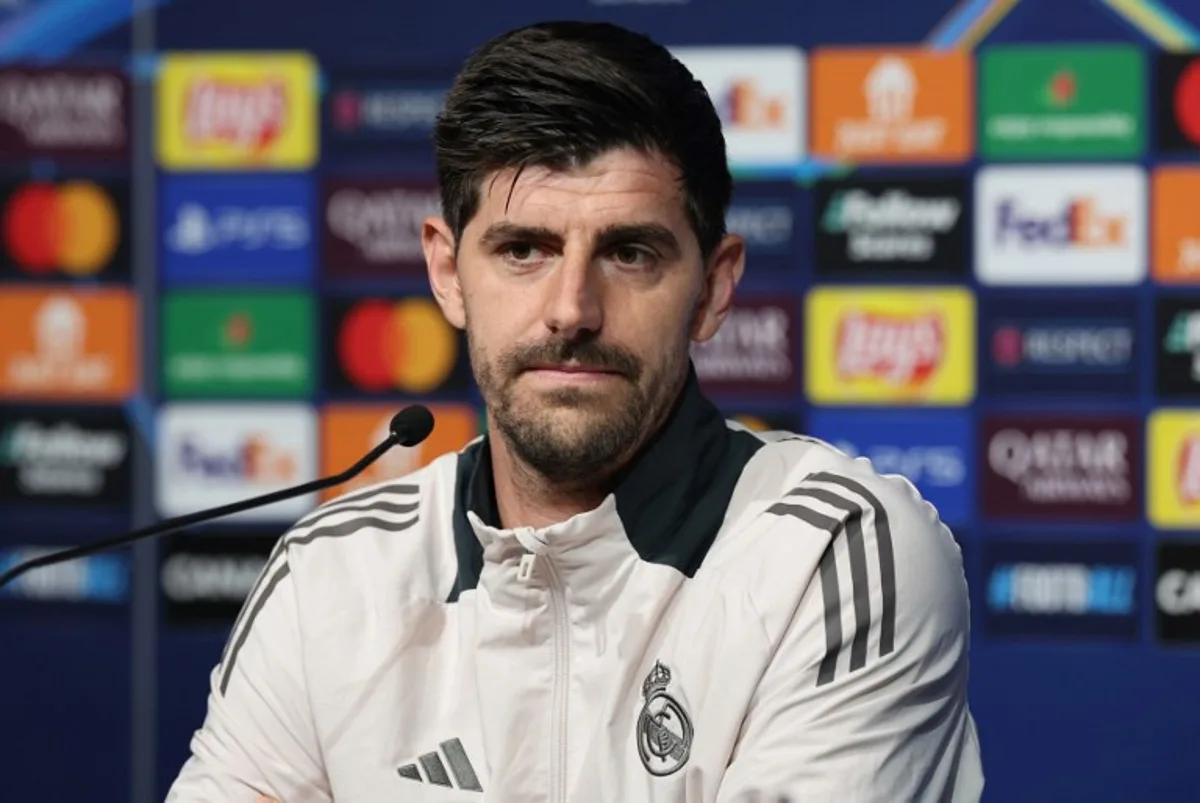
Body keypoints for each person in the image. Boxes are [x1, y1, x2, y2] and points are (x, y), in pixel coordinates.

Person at [167, 20, 983, 802]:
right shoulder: (328, 575)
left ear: (715, 287)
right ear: (449, 274)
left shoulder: (832, 556)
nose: (570, 309)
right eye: (524, 249)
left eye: (630, 252)